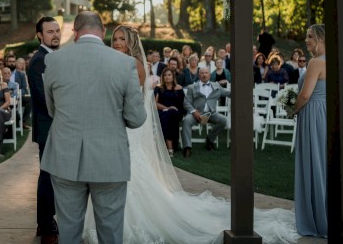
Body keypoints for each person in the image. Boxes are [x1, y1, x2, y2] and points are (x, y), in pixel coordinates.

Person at [82, 24, 300, 244]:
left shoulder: (135, 64)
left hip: (127, 124)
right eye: (115, 39)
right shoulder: (117, 62)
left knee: (128, 172)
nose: (117, 43)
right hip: (117, 125)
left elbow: (131, 98)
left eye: (122, 39)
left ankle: (126, 222)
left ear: (130, 42)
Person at [41, 12, 146, 244]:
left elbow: (51, 109)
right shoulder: (125, 63)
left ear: (75, 32)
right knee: (110, 233)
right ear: (104, 32)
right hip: (109, 159)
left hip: (64, 157)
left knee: (68, 233)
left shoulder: (54, 60)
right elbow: (136, 118)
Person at [28, 16, 62, 244]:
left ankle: (45, 221)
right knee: (48, 176)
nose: (55, 35)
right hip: (49, 126)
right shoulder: (40, 61)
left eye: (57, 30)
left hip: (54, 126)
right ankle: (46, 225)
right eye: (50, 31)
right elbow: (44, 98)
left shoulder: (52, 58)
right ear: (40, 35)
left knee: (51, 175)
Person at [292, 24, 327, 237]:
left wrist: (291, 110)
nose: (306, 40)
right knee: (322, 161)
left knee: (313, 162)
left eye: (310, 36)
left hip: (312, 113)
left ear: (322, 38)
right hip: (324, 113)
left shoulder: (315, 62)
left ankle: (315, 218)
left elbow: (305, 96)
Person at [181, 67, 231, 157]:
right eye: (202, 73)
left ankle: (210, 140)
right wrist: (193, 111)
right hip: (196, 113)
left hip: (211, 114)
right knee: (186, 121)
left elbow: (229, 93)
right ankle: (187, 147)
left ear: (209, 75)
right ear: (199, 75)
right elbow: (186, 102)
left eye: (206, 73)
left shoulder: (216, 86)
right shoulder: (192, 87)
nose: (204, 75)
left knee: (223, 120)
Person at [155, 67, 186, 156]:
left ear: (173, 76)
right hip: (162, 112)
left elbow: (182, 104)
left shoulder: (178, 88)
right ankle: (171, 147)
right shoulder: (159, 88)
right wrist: (168, 108)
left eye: (169, 75)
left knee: (170, 115)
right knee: (167, 115)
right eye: (165, 75)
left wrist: (172, 110)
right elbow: (155, 104)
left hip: (177, 113)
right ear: (162, 77)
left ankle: (167, 145)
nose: (167, 77)